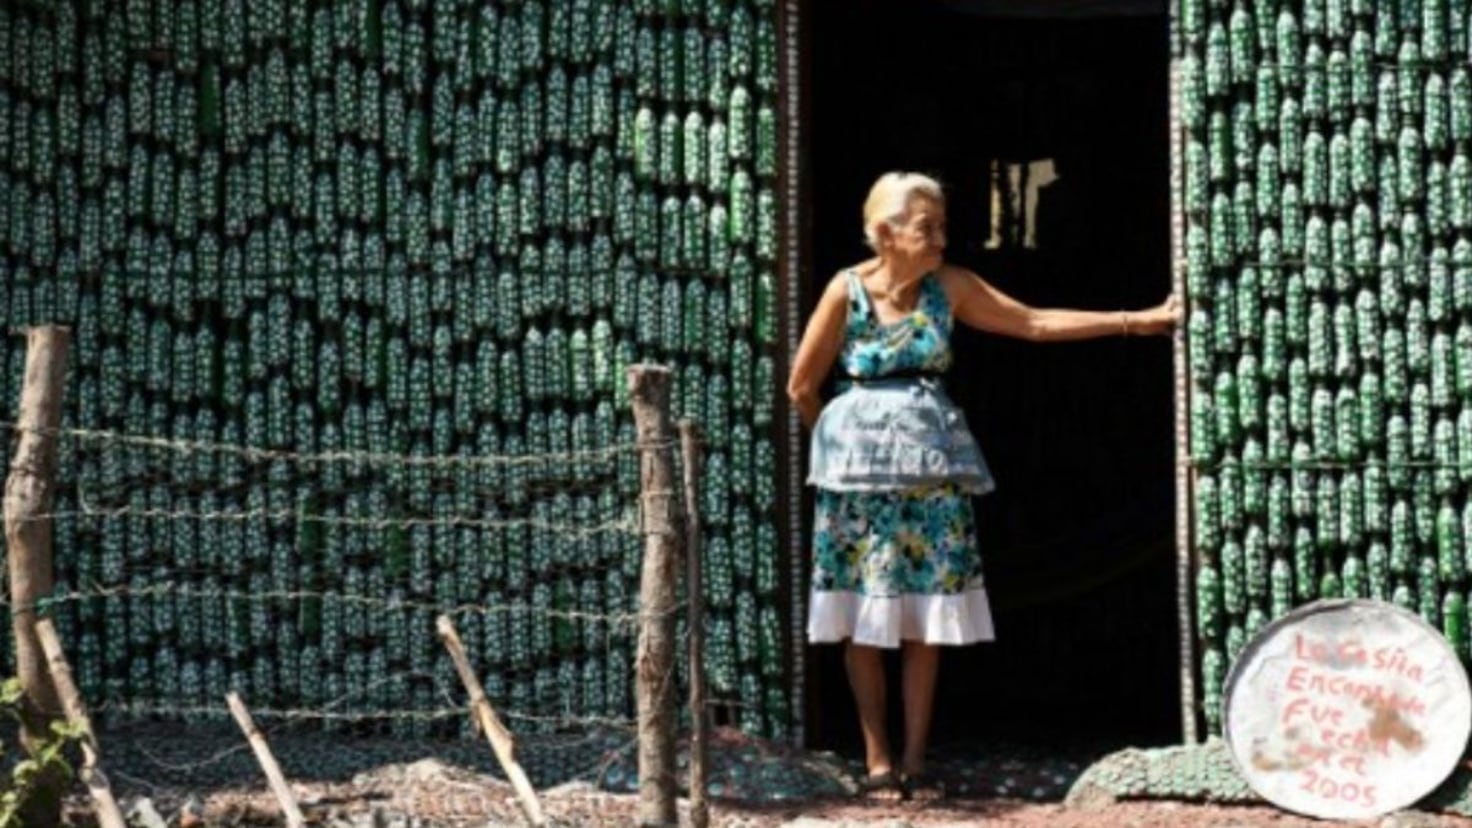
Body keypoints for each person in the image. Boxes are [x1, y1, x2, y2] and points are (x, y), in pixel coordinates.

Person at [787, 171, 1178, 801]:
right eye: (927, 228)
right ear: (886, 234)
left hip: (932, 480)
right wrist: (840, 445)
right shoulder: (846, 290)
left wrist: (1137, 321)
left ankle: (915, 758)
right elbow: (802, 386)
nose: (942, 237)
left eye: (941, 225)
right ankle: (878, 759)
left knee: (925, 616)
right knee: (861, 615)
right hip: (856, 487)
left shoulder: (950, 288)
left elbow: (1033, 323)